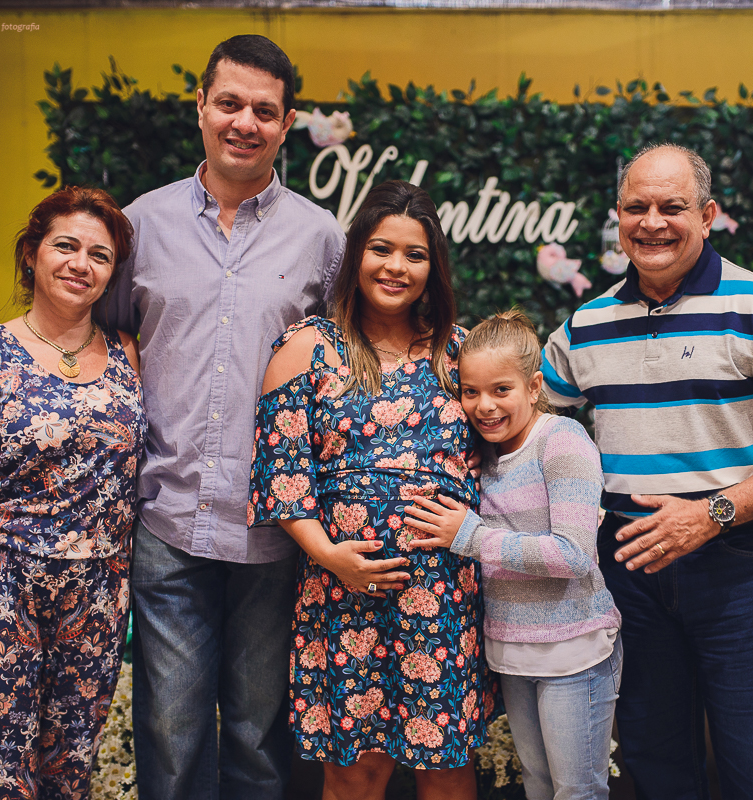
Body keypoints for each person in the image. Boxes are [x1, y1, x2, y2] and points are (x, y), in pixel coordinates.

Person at [541, 143, 753, 800]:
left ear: (707, 215)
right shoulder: (584, 327)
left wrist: (711, 513)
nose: (652, 222)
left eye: (672, 207)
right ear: (617, 217)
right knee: (654, 766)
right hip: (630, 572)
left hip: (742, 569)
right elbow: (532, 430)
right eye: (636, 207)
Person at [101, 35, 348, 799]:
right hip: (169, 518)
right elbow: (111, 344)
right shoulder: (141, 224)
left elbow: (348, 366)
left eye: (264, 111)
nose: (245, 121)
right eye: (231, 103)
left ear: (288, 123)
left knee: (261, 732)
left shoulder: (323, 239)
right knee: (170, 738)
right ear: (200, 107)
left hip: (276, 526)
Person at [251, 179, 496, 800]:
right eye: (382, 249)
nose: (396, 267)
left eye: (414, 255)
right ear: (356, 252)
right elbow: (281, 474)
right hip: (342, 592)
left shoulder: (459, 351)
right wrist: (330, 556)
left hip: (444, 596)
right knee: (355, 774)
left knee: (447, 769)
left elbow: (504, 453)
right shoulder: (307, 346)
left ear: (432, 266)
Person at [0, 186, 144, 799]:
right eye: (65, 246)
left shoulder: (128, 354)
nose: (80, 264)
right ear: (32, 255)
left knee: (68, 775)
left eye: (99, 255)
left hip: (95, 598)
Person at [404, 309, 623, 800]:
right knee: (538, 785)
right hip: (513, 651)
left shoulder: (562, 441)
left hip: (574, 649)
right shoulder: (486, 454)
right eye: (470, 392)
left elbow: (573, 555)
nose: (484, 406)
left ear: (533, 386)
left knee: (577, 792)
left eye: (501, 390)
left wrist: (470, 536)